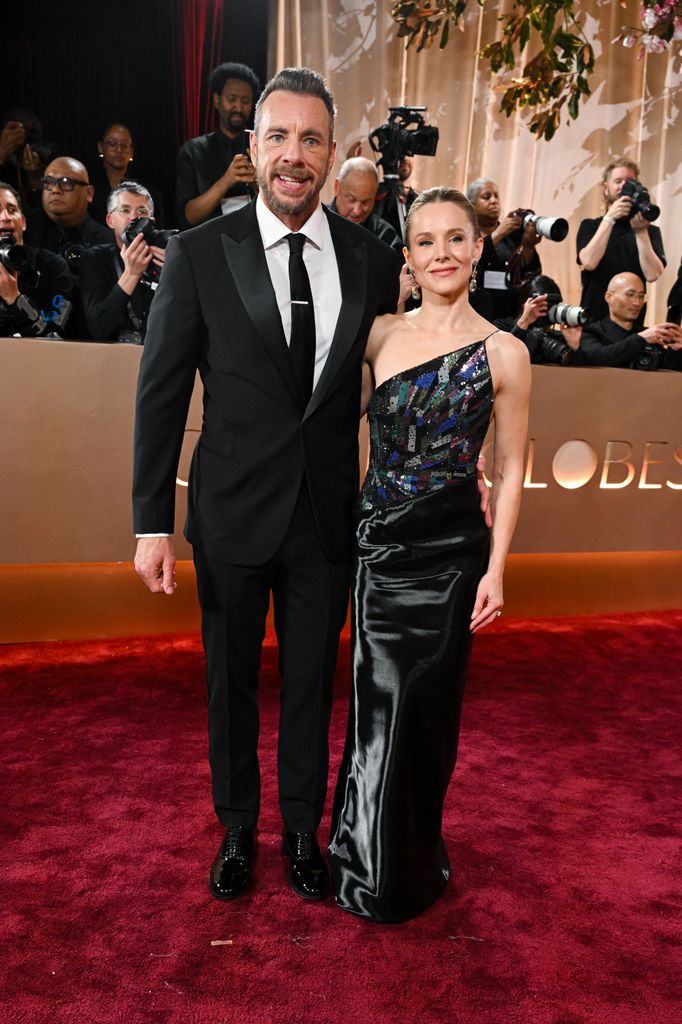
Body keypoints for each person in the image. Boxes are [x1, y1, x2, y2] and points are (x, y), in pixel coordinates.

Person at [133, 67, 401, 904]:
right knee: (230, 681)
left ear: (330, 154)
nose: (294, 155)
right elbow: (162, 391)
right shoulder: (199, 252)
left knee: (313, 681)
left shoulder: (372, 260)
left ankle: (298, 831)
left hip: (327, 517)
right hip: (230, 510)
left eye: (311, 139)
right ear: (253, 149)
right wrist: (151, 521)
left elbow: (386, 387)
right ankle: (238, 828)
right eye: (278, 137)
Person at [328, 186, 530, 923]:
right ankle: (363, 861)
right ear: (407, 255)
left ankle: (410, 856)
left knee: (428, 712)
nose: (441, 252)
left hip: (452, 555)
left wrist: (497, 569)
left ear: (477, 250)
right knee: (378, 707)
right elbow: (338, 434)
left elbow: (507, 471)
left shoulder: (506, 353)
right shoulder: (379, 335)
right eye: (426, 241)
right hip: (381, 547)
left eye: (456, 238)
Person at [576, 157, 665, 328]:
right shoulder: (590, 226)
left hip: (632, 327)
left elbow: (653, 274)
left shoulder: (651, 231)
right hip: (593, 324)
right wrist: (609, 219)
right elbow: (588, 262)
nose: (624, 187)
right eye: (618, 181)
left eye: (630, 182)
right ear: (606, 188)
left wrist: (641, 232)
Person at [78, 182, 167, 343]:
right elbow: (98, 328)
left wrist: (175, 275)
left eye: (141, 211)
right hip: (113, 359)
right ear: (110, 220)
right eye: (125, 210)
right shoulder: (94, 259)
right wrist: (131, 274)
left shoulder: (167, 256)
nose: (133, 217)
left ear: (151, 221)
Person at [175, 62, 260, 228]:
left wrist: (257, 183)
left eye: (246, 101)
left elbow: (281, 206)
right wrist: (226, 180)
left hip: (256, 240)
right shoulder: (192, 151)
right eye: (232, 99)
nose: (239, 107)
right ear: (216, 100)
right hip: (207, 245)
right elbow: (188, 216)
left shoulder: (262, 145)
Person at [0, 181, 73, 338]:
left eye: (12, 210)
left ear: (23, 222)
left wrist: (15, 299)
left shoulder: (54, 267)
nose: (5, 217)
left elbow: (54, 336)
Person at [466, 177, 542, 320]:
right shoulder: (465, 235)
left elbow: (529, 276)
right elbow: (469, 263)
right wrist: (499, 233)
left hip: (510, 316)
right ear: (471, 205)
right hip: (475, 313)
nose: (494, 201)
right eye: (486, 197)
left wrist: (528, 246)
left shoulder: (512, 236)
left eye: (496, 196)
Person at [570, 272, 681, 369]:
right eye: (630, 295)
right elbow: (599, 357)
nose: (637, 302)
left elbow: (667, 367)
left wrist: (677, 350)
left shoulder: (649, 336)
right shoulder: (591, 332)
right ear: (609, 297)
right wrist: (640, 339)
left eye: (641, 296)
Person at [24, 156, 112, 256]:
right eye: (49, 182)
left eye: (66, 183)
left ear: (88, 193)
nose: (55, 190)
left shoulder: (109, 242)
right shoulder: (24, 231)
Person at [88, 123, 164, 227]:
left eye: (124, 146)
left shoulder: (150, 192)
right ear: (100, 147)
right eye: (112, 144)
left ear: (131, 151)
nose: (119, 150)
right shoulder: (88, 188)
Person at [328, 157, 403, 257]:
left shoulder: (385, 236)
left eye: (365, 202)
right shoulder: (316, 221)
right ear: (337, 187)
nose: (357, 211)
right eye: (351, 200)